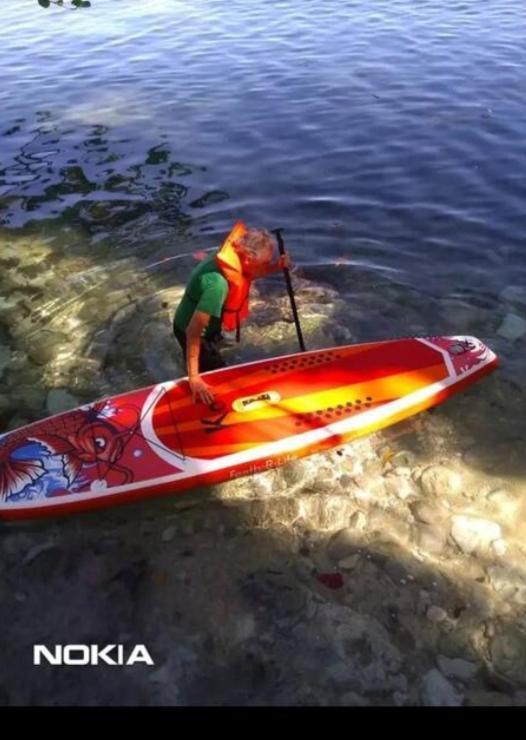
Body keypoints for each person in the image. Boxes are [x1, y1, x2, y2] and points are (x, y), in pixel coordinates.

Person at [173, 221, 291, 404]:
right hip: (190, 329)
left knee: (215, 352)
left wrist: (276, 267)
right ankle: (193, 379)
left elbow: (250, 272)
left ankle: (195, 363)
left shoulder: (236, 257)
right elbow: (193, 332)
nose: (266, 266)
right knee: (217, 379)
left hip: (210, 327)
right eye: (264, 263)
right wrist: (194, 379)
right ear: (248, 258)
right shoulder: (217, 286)